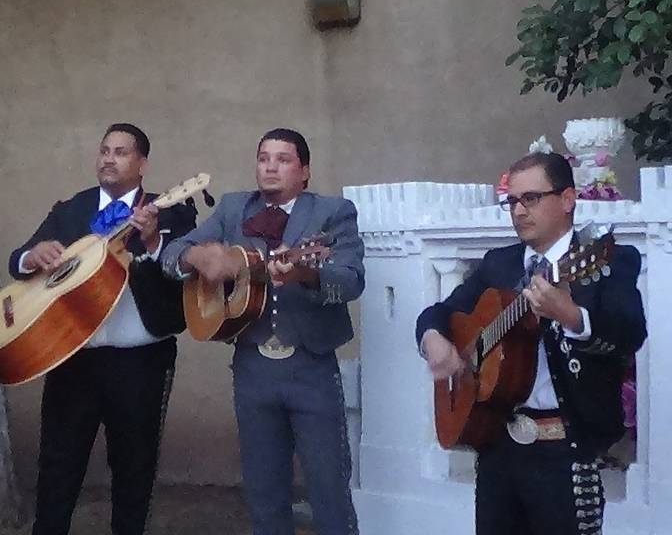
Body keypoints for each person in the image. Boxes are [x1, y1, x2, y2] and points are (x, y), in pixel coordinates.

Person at [416, 152, 647, 535]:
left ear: (568, 199)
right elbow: (438, 314)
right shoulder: (499, 264)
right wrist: (434, 341)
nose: (519, 210)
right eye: (512, 201)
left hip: (565, 448)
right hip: (496, 444)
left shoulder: (607, 260)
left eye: (531, 198)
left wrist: (572, 316)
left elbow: (629, 333)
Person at [161, 128, 364, 535]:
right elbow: (170, 255)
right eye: (263, 157)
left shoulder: (332, 212)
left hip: (311, 367)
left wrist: (305, 273)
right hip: (252, 367)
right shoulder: (234, 209)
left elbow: (352, 279)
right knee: (263, 488)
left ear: (304, 171)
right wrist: (200, 256)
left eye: (283, 159)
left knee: (329, 487)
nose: (270, 166)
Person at [8, 123, 195, 535]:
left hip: (140, 362)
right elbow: (19, 260)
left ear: (142, 163)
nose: (109, 158)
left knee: (134, 466)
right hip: (73, 355)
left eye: (121, 152)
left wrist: (150, 244)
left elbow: (182, 275)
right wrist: (31, 255)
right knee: (58, 464)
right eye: (105, 150)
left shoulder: (172, 212)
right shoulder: (71, 210)